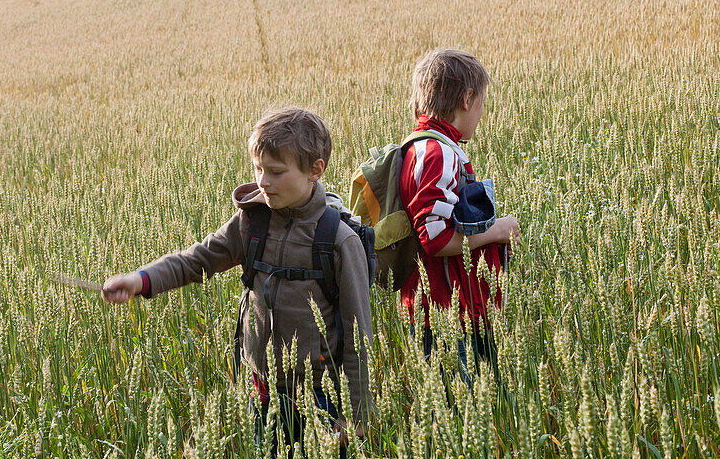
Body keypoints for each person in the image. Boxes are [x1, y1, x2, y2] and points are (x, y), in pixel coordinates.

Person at [102, 108, 372, 456]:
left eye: (276, 171)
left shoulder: (339, 240)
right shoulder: (252, 223)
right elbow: (197, 260)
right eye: (258, 169)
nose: (263, 181)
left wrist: (356, 413)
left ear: (315, 170)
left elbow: (358, 333)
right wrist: (141, 280)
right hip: (260, 391)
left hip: (320, 397)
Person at [399, 48, 520, 374]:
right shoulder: (439, 154)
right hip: (446, 314)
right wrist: (497, 231)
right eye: (481, 104)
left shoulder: (421, 146)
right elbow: (435, 240)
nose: (481, 114)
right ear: (466, 99)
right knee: (456, 413)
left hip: (443, 310)